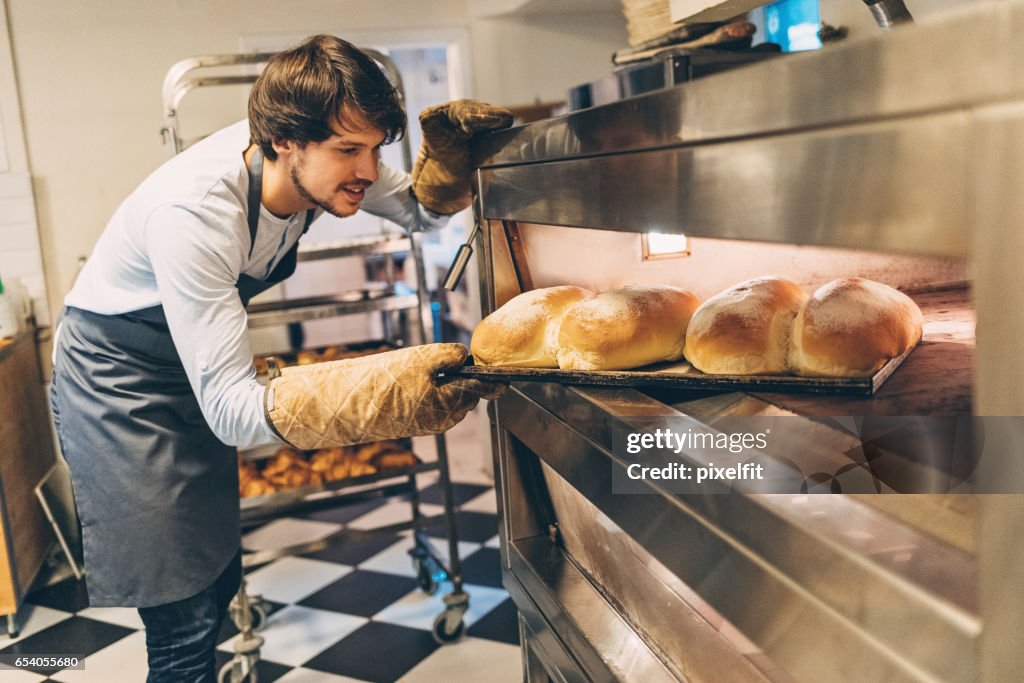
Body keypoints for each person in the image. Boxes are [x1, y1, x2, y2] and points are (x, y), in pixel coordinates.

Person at [49, 34, 510, 682]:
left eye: (375, 148)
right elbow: (234, 414)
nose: (367, 170)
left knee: (213, 580)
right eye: (349, 150)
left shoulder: (322, 160)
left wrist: (450, 171)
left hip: (187, 373)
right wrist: (379, 388)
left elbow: (415, 211)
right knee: (181, 618)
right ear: (282, 141)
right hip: (118, 384)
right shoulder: (196, 214)